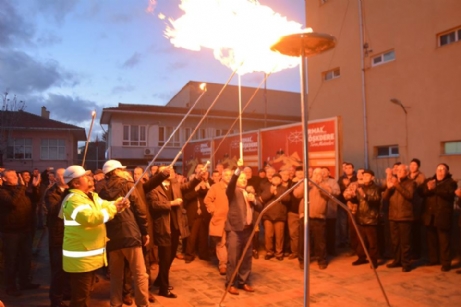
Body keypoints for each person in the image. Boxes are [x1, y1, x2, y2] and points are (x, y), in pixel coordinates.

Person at [98, 160, 170, 307]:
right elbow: (140, 209)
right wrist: (145, 231)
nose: (126, 171)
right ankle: (142, 303)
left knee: (116, 275)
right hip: (130, 234)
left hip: (112, 237)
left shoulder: (102, 190)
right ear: (116, 171)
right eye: (122, 169)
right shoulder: (128, 185)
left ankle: (115, 303)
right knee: (140, 274)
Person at [61, 165, 129, 307]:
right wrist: (114, 208)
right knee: (80, 297)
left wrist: (119, 203)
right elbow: (91, 218)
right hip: (80, 259)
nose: (89, 177)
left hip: (88, 257)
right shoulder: (73, 200)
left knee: (85, 293)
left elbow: (106, 205)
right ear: (75, 183)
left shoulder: (91, 196)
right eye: (85, 176)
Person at [146, 166, 202, 298]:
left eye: (171, 170)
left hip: (176, 227)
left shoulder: (175, 184)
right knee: (164, 258)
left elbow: (187, 186)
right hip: (163, 228)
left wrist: (198, 178)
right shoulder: (154, 187)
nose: (171, 172)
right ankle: (163, 289)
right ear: (161, 174)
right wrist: (171, 203)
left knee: (170, 256)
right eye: (167, 170)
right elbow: (154, 205)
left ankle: (160, 280)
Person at [0, 169, 40, 296]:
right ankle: (10, 286)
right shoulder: (2, 192)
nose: (15, 178)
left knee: (25, 258)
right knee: (11, 260)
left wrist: (35, 188)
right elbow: (12, 202)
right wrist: (22, 187)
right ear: (4, 179)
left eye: (15, 175)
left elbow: (34, 200)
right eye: (11, 176)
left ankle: (24, 282)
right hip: (10, 232)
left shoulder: (21, 190)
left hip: (25, 230)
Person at [225, 159, 261, 295]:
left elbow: (260, 208)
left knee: (246, 258)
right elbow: (231, 183)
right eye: (241, 177)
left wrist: (255, 201)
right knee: (233, 259)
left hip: (248, 230)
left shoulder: (249, 193)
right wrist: (238, 170)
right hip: (235, 230)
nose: (244, 179)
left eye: (245, 178)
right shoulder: (232, 191)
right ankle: (230, 283)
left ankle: (243, 282)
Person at [420, 163, 457, 272]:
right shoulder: (430, 180)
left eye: (443, 169)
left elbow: (449, 194)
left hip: (443, 216)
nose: (440, 171)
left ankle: (446, 263)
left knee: (444, 241)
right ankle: (433, 259)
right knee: (431, 240)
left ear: (447, 172)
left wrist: (435, 189)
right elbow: (422, 193)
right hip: (430, 215)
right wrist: (428, 188)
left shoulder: (451, 183)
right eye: (438, 169)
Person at [45, 168, 71, 307]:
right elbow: (55, 210)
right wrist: (66, 194)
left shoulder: (71, 191)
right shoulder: (51, 193)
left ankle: (66, 292)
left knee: (68, 267)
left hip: (70, 234)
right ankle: (55, 300)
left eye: (66, 175)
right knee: (58, 269)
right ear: (55, 178)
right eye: (61, 176)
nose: (64, 178)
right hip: (57, 235)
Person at [383, 164, 416, 272]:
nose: (399, 172)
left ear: (407, 173)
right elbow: (385, 198)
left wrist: (397, 185)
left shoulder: (411, 183)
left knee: (405, 242)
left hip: (405, 216)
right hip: (393, 216)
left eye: (402, 170)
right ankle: (397, 260)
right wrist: (389, 188)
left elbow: (409, 196)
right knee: (395, 241)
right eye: (398, 170)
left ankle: (406, 263)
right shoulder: (394, 183)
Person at [204, 168, 233, 275]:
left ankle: (231, 262)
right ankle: (223, 265)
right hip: (220, 220)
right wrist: (214, 211)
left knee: (232, 242)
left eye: (230, 175)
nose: (228, 177)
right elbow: (207, 200)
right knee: (221, 243)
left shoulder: (235, 187)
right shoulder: (215, 187)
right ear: (222, 176)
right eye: (226, 175)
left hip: (233, 220)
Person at [351, 169, 381, 268]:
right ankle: (361, 257)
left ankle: (374, 261)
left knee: (372, 242)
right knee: (361, 241)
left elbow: (376, 200)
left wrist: (364, 195)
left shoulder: (376, 188)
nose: (365, 178)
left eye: (367, 176)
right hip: (360, 217)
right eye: (364, 176)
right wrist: (353, 196)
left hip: (371, 219)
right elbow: (358, 201)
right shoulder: (361, 188)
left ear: (372, 177)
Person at [183, 164, 212, 263]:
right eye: (199, 168)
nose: (201, 170)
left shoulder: (208, 182)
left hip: (204, 213)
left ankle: (203, 254)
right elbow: (186, 197)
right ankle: (189, 255)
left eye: (203, 169)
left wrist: (206, 182)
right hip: (193, 212)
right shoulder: (191, 182)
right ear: (195, 170)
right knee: (192, 236)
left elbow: (211, 194)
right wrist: (196, 190)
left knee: (203, 235)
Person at [260, 173, 289, 261]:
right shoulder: (267, 188)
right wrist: (270, 192)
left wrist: (276, 193)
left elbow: (287, 199)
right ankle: (269, 252)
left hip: (280, 216)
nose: (276, 180)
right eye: (274, 178)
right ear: (271, 180)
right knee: (268, 235)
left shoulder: (284, 189)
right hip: (268, 216)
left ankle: (279, 253)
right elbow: (263, 198)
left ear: (281, 180)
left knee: (279, 236)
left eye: (278, 178)